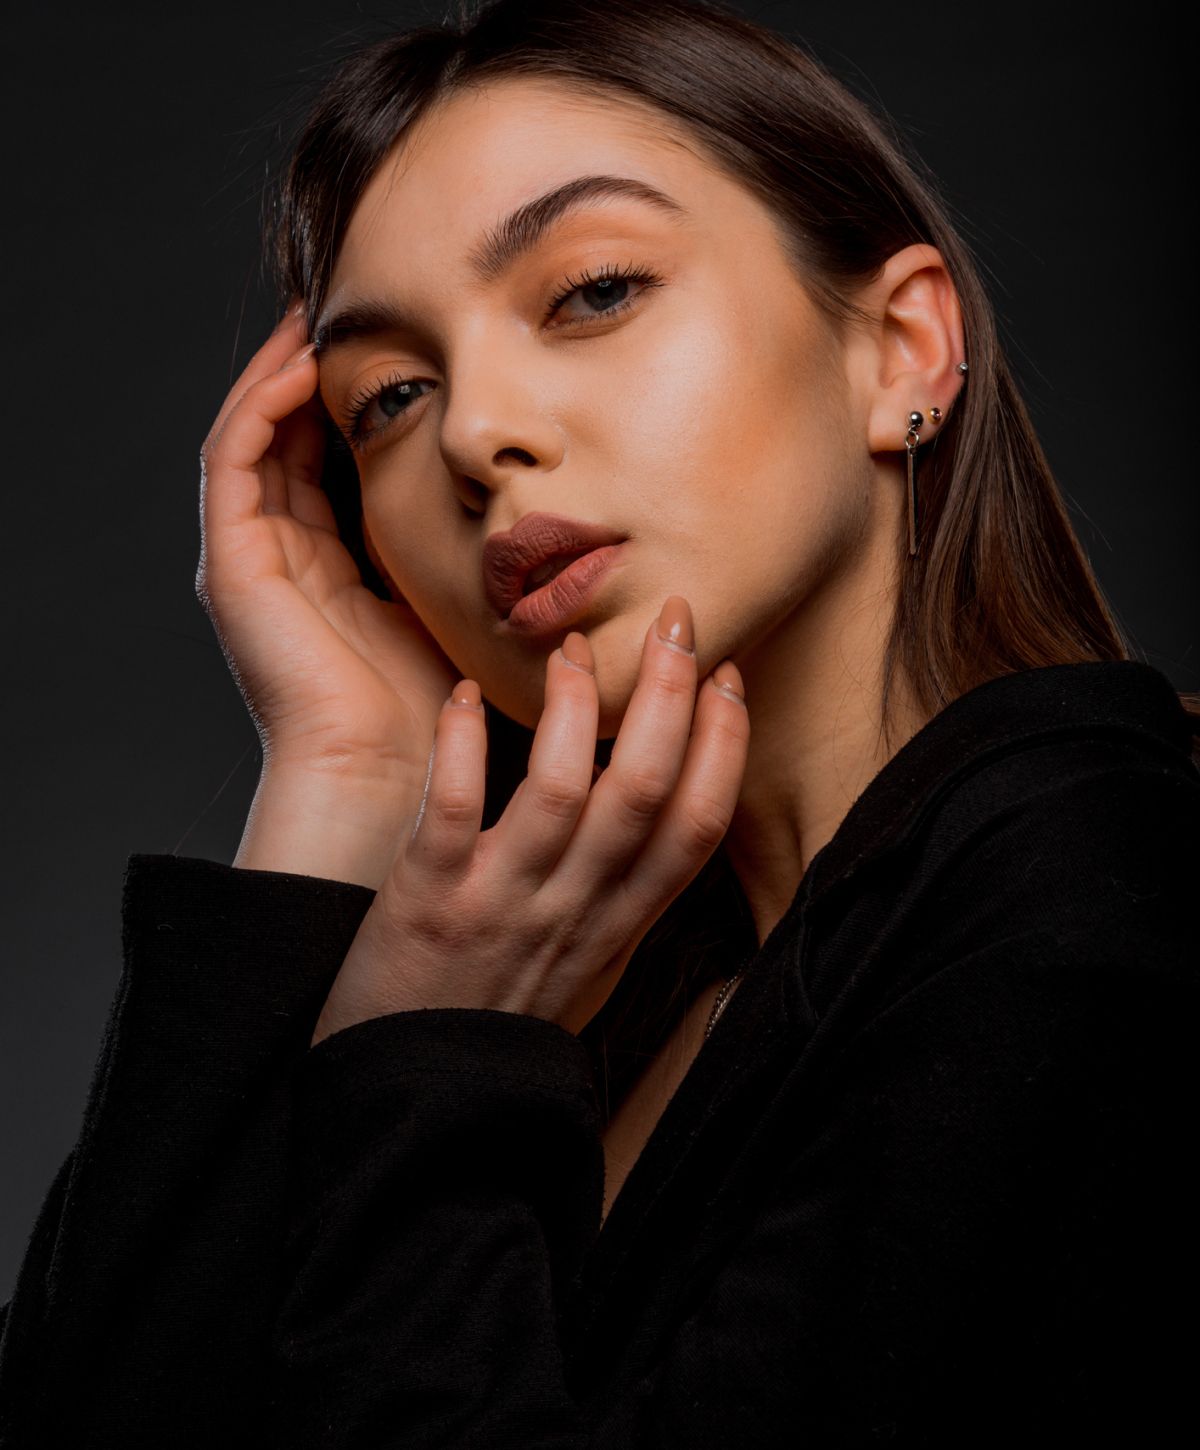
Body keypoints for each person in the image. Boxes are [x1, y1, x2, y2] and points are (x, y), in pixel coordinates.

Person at [1, 0, 1196, 1444]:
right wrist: (341, 774)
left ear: (900, 349)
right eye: (388, 393)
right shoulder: (598, 986)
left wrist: (423, 1064)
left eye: (592, 291)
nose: (473, 432)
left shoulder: (1100, 888)